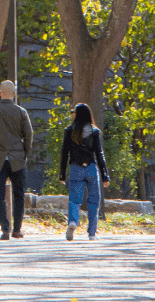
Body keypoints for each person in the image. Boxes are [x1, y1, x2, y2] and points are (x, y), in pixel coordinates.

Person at [0, 80, 32, 240]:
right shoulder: (21, 112)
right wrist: (25, 152)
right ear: (13, 94)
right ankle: (17, 229)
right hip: (17, 157)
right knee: (19, 194)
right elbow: (28, 135)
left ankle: (5, 228)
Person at [58, 103, 109, 241]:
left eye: (73, 112)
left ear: (77, 114)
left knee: (74, 200)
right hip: (91, 168)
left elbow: (64, 153)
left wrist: (62, 173)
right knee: (94, 201)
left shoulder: (69, 131)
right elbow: (100, 154)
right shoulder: (95, 131)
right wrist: (105, 175)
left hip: (76, 168)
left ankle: (73, 222)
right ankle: (92, 233)